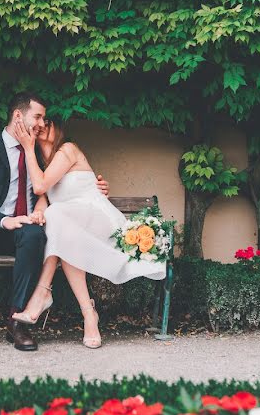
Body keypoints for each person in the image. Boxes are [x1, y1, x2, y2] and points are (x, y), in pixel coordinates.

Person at [0, 92, 109, 351]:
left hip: (27, 232)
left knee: (34, 236)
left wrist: (94, 187)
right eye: (38, 117)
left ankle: (17, 322)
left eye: (44, 119)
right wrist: (3, 221)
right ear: (18, 116)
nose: (41, 124)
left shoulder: (44, 156)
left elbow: (59, 187)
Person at [10, 118, 166, 348]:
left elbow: (41, 186)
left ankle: (42, 294)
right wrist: (38, 214)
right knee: (63, 231)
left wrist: (27, 148)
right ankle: (89, 315)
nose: (42, 126)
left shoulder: (68, 149)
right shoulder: (42, 169)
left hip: (99, 220)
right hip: (72, 227)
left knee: (59, 220)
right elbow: (43, 200)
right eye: (39, 123)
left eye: (49, 123)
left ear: (59, 128)